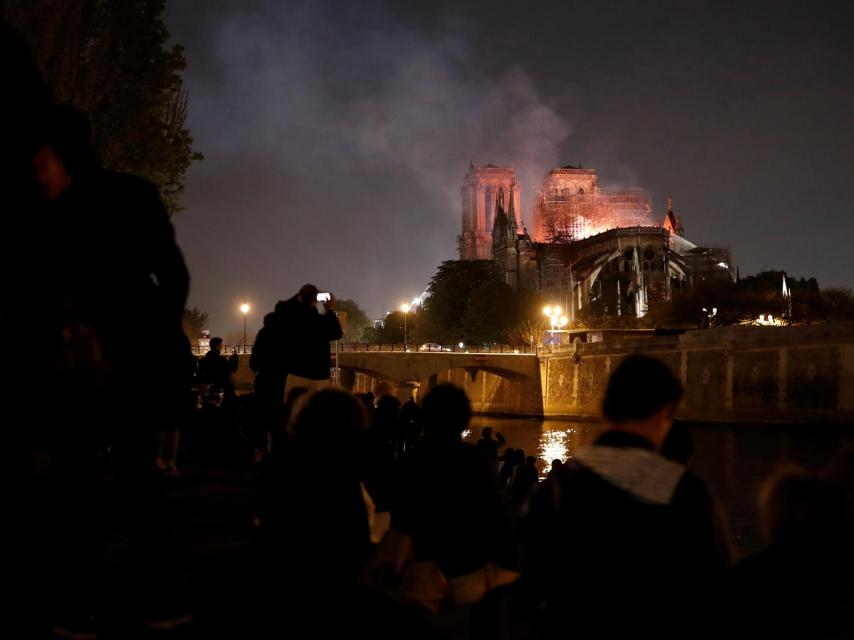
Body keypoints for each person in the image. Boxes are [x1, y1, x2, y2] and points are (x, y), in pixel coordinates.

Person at [522, 355, 732, 638]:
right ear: (663, 414)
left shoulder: (558, 485)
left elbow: (532, 578)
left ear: (605, 411)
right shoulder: (686, 492)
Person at [391, 384, 517, 586]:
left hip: (424, 576)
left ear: (425, 418)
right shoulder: (478, 461)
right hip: (470, 574)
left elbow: (401, 524)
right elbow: (499, 521)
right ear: (464, 421)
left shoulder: (411, 462)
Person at [274, 284, 343, 395]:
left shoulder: (289, 319)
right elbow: (337, 333)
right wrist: (329, 309)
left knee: (293, 409)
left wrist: (301, 295)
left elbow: (281, 307)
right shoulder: (319, 321)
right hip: (318, 376)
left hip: (295, 372)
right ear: (315, 300)